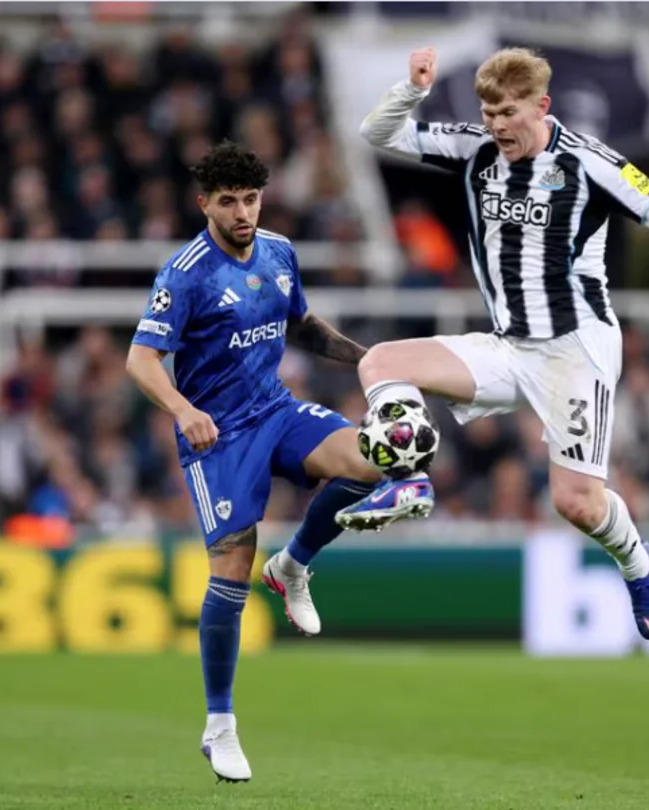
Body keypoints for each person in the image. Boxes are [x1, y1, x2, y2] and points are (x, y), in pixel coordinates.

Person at [341, 47, 649, 641]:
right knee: (381, 362)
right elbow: (377, 132)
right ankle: (408, 478)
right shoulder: (474, 149)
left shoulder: (588, 162)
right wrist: (412, 89)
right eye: (489, 113)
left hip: (575, 350)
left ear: (541, 106)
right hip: (509, 345)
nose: (497, 126)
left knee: (578, 504)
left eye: (508, 113)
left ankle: (638, 565)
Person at [125, 142, 430, 783]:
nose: (243, 213)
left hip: (276, 410)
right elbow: (141, 360)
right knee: (232, 568)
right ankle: (219, 725)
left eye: (251, 199)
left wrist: (371, 361)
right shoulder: (185, 273)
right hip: (218, 436)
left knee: (373, 461)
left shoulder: (279, 252)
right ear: (204, 203)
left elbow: (301, 325)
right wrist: (184, 410)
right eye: (228, 202)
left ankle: (293, 565)